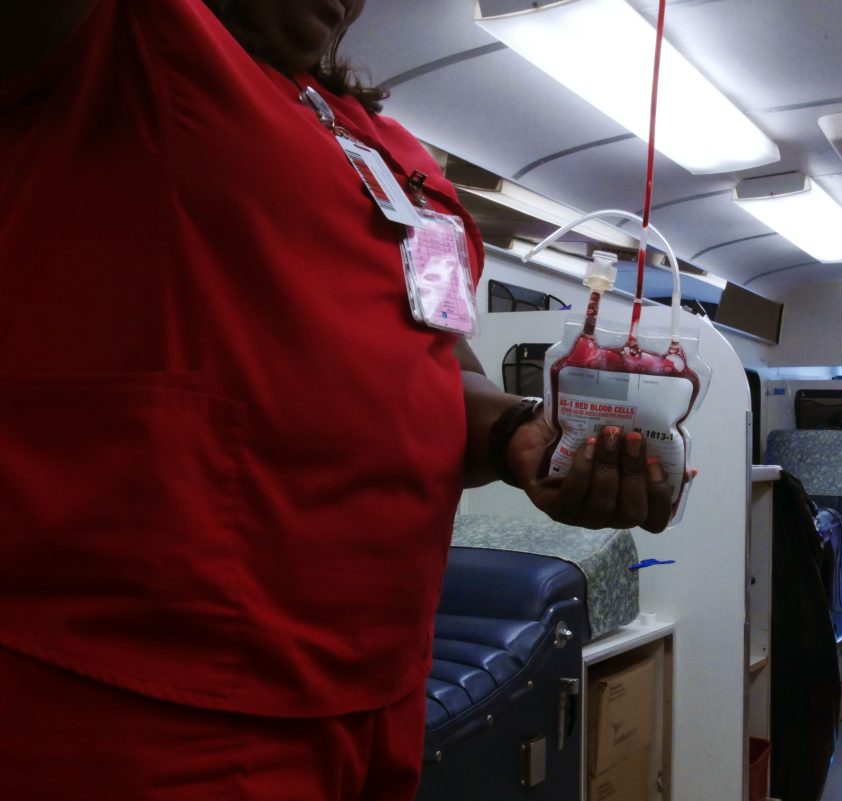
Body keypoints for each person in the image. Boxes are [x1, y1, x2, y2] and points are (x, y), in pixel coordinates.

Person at [0, 2, 670, 799]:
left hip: (378, 684)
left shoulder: (389, 150)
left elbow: (440, 363)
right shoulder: (125, 42)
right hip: (150, 701)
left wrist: (521, 434)